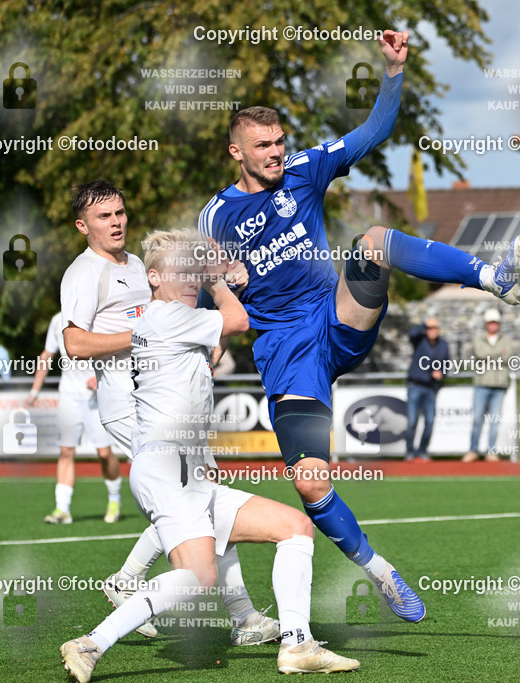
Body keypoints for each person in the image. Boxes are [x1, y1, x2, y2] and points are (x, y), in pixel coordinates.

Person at [198, 29, 520, 623]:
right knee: (308, 482)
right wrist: (221, 296)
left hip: (336, 320)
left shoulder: (304, 170)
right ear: (236, 153)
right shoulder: (216, 217)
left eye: (279, 141)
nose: (276, 152)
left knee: (372, 242)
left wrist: (392, 70)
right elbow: (209, 292)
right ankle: (382, 574)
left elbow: (373, 133)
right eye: (263, 145)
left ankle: (487, 275)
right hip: (287, 357)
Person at [59, 228, 358, 681]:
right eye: (181, 271)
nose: (190, 279)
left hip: (188, 470)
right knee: (199, 577)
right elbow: (237, 322)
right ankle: (90, 643)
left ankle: (297, 644)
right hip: (167, 467)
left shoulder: (174, 321)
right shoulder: (164, 317)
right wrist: (219, 279)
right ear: (154, 278)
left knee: (294, 528)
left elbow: (219, 338)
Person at [61, 180, 276, 645]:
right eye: (104, 216)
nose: (116, 221)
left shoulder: (137, 263)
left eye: (119, 212)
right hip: (128, 406)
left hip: (161, 397)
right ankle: (241, 616)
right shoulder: (84, 272)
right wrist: (149, 338)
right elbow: (74, 343)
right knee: (198, 499)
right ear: (83, 226)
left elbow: (168, 312)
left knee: (201, 496)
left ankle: (136, 581)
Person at [26, 312, 119, 524]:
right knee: (66, 451)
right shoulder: (57, 320)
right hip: (68, 395)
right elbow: (46, 355)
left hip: (95, 397)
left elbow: (116, 353)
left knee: (104, 454)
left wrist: (101, 378)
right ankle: (63, 509)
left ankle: (114, 499)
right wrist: (34, 392)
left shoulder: (100, 318)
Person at [464, 308, 513, 462]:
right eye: (490, 322)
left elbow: (508, 357)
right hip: (482, 384)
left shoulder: (506, 339)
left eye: (495, 322)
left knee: (494, 421)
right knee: (477, 419)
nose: (493, 325)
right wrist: (499, 353)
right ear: (486, 324)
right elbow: (480, 353)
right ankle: (473, 450)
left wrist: (491, 355)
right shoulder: (479, 338)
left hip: (499, 386)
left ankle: (491, 451)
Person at [405, 318, 449, 461]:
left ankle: (422, 450)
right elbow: (411, 334)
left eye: (435, 328)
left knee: (429, 422)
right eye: (430, 328)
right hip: (415, 385)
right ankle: (410, 451)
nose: (432, 331)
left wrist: (441, 372)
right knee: (412, 421)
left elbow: (447, 364)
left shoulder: (443, 345)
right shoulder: (419, 340)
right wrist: (425, 323)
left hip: (431, 388)